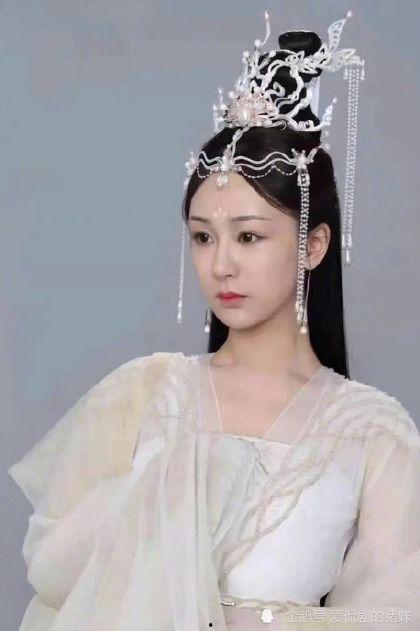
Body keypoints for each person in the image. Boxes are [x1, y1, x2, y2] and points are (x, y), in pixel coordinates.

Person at [8, 10, 420, 631]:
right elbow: (55, 571)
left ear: (313, 245)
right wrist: (159, 489)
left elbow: (392, 612)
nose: (221, 264)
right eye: (203, 237)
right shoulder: (146, 398)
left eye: (249, 237)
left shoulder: (371, 433)